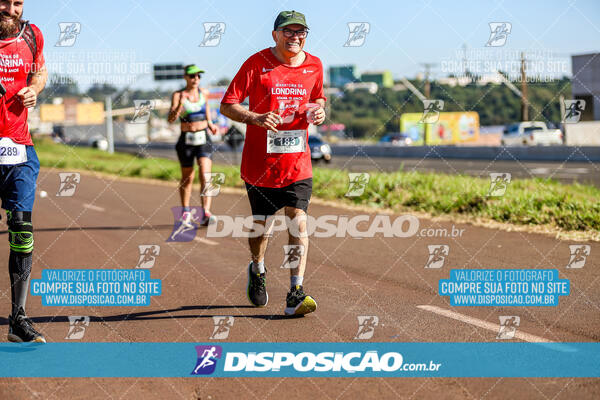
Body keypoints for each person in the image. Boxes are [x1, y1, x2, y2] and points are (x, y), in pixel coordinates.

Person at [220, 10, 326, 316]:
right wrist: (255, 117)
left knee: (298, 219)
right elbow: (228, 104)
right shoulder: (257, 64)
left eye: (300, 32)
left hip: (298, 163)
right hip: (260, 165)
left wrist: (319, 111)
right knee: (261, 229)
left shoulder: (315, 65)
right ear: (275, 35)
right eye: (288, 32)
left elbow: (319, 98)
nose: (295, 38)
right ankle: (257, 268)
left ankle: (295, 292)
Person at [0, 0, 47, 342]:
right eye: (5, 1)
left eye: (17, 2)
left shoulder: (32, 35)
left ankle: (18, 319)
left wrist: (35, 89)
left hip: (18, 146)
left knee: (21, 231)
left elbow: (40, 71)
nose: (10, 8)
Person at [168, 64, 218, 226]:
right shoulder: (178, 95)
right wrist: (180, 106)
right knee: (188, 178)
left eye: (198, 76)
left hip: (203, 138)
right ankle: (186, 211)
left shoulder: (204, 93)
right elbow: (170, 119)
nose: (196, 79)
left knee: (205, 174)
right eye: (192, 76)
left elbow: (207, 110)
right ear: (185, 77)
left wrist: (210, 124)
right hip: (186, 140)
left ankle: (206, 212)